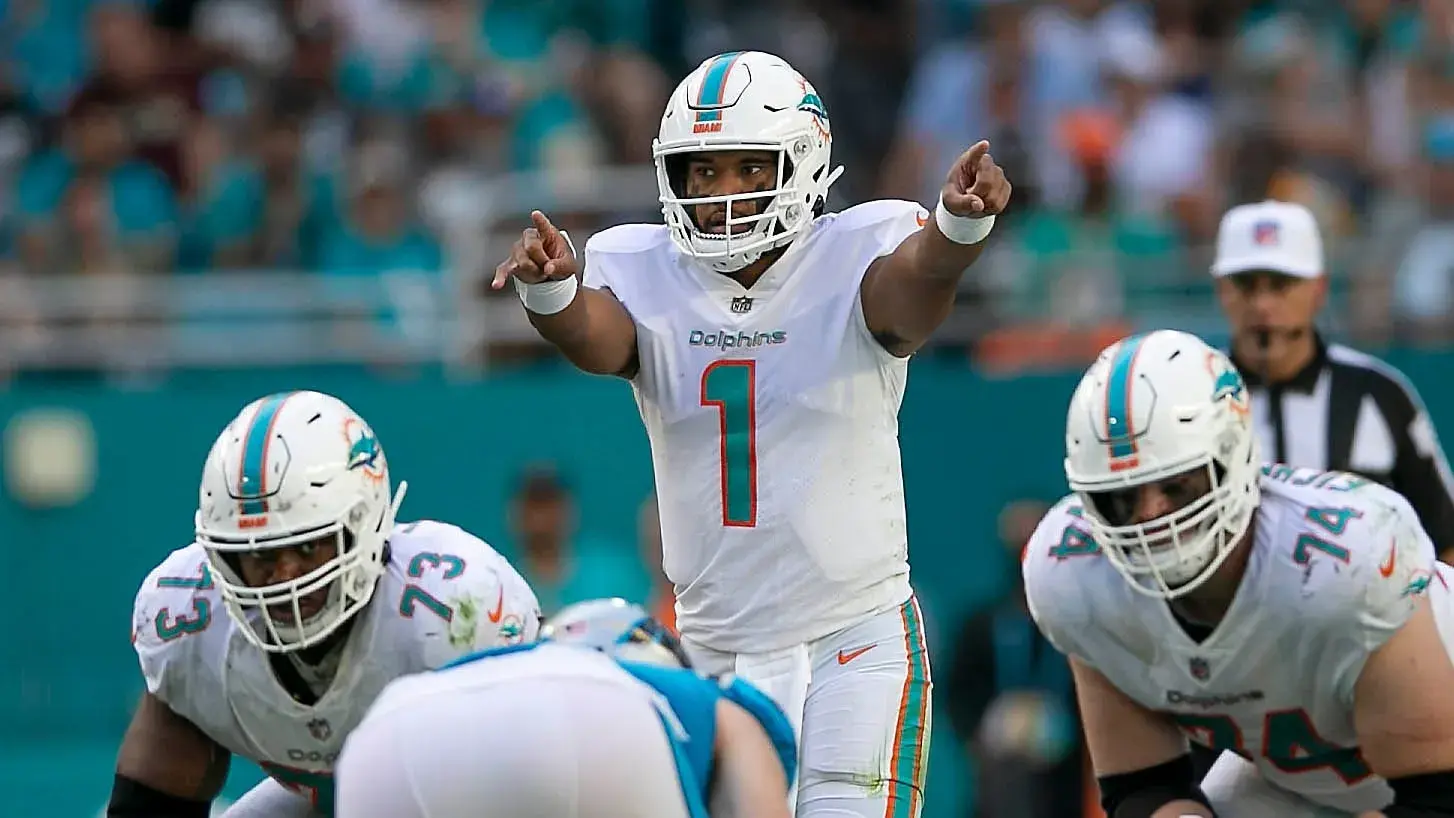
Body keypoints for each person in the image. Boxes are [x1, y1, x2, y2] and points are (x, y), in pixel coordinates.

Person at [491, 48, 1012, 818]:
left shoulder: (851, 252)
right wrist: (553, 289)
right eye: (702, 172)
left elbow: (909, 293)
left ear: (803, 163)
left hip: (853, 639)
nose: (720, 193)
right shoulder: (645, 266)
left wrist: (955, 234)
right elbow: (596, 339)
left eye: (744, 167)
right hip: (713, 649)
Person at [1021, 329, 1454, 818]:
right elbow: (1144, 787)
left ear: (1234, 459)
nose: (1150, 517)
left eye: (1177, 486)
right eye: (1119, 497)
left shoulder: (1348, 561)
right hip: (1308, 774)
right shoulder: (1075, 575)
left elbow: (1435, 802)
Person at [109, 390, 541, 818]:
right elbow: (151, 803)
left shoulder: (452, 610)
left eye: (309, 547)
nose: (283, 577)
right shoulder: (191, 622)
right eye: (260, 554)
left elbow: (542, 773)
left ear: (363, 525)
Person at [333, 598, 798, 818]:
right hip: (602, 726)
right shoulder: (685, 698)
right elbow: (752, 743)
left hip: (387, 731)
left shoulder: (519, 671)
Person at [1211, 200, 1454, 560]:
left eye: (1281, 284)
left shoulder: (1378, 393)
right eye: (1246, 284)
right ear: (1222, 290)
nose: (1262, 304)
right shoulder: (1196, 398)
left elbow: (1444, 536)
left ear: (1318, 290)